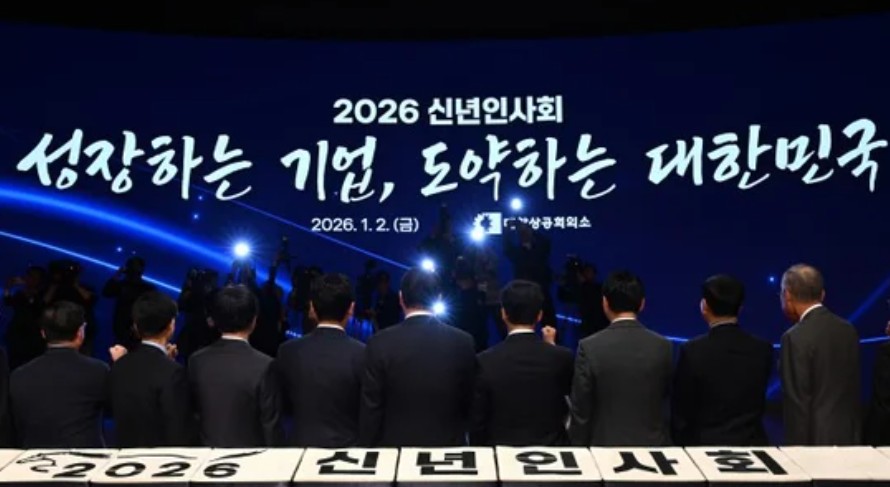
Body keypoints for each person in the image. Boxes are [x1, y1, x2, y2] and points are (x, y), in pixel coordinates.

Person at [360, 268, 476, 447]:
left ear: (401, 298)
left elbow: (371, 410)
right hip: (448, 452)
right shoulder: (463, 342)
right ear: (438, 297)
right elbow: (471, 404)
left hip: (394, 455)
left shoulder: (379, 343)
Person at [568, 270, 672, 446]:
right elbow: (668, 403)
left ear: (605, 303)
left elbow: (581, 410)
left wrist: (578, 449)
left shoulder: (589, 347)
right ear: (642, 304)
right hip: (654, 448)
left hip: (604, 449)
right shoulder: (663, 346)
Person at [671, 275, 773, 446]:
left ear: (704, 306)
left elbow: (682, 409)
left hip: (704, 449)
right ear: (740, 308)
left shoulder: (693, 350)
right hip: (752, 445)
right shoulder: (762, 349)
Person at [470, 280, 574, 446]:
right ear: (539, 315)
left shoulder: (485, 360)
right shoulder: (562, 357)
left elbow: (478, 422)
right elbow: (573, 408)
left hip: (501, 455)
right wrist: (552, 348)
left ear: (503, 313)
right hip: (553, 453)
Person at [276, 274, 365, 447]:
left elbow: (282, 406)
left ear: (312, 308)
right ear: (351, 308)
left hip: (299, 451)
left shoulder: (287, 351)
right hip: (348, 453)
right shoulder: (363, 354)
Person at [188, 285, 283, 447]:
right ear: (254, 320)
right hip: (249, 458)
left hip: (204, 456)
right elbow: (270, 426)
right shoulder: (265, 365)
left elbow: (191, 414)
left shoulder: (196, 360)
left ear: (215, 320)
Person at [779, 264, 861, 446]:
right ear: (822, 295)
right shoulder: (848, 330)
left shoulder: (794, 338)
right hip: (849, 440)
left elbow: (797, 405)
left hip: (813, 445)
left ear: (787, 295)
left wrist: (797, 452)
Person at [10, 301, 108, 448]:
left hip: (33, 458)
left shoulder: (19, 376)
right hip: (86, 458)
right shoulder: (98, 371)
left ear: (43, 333)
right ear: (80, 333)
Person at [109, 291, 194, 447]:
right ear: (171, 326)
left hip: (124, 455)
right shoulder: (173, 372)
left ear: (136, 326)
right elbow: (178, 429)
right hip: (161, 458)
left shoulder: (119, 365)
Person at [102, 256, 156, 351]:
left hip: (136, 327)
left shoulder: (147, 288)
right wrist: (117, 276)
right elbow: (106, 292)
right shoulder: (123, 285)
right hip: (123, 326)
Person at [2, 266, 47, 370]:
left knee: (34, 365)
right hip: (17, 334)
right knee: (14, 364)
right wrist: (8, 287)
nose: (29, 279)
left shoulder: (43, 295)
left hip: (34, 337)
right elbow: (8, 302)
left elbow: (38, 309)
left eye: (34, 277)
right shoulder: (20, 294)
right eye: (29, 276)